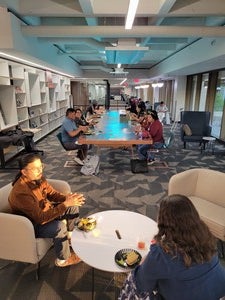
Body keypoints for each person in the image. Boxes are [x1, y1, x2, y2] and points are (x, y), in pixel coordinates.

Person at [119, 194, 225, 300]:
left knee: (132, 281)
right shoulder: (205, 236)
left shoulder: (163, 254)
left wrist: (146, 259)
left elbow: (141, 283)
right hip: (218, 290)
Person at [8, 153, 86, 267]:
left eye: (41, 167)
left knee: (72, 207)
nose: (40, 171)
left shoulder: (38, 178)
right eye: (35, 169)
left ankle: (70, 238)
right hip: (31, 225)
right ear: (24, 172)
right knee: (59, 227)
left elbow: (52, 194)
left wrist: (68, 198)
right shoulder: (21, 192)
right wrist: (65, 204)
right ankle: (63, 260)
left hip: (44, 212)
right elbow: (40, 218)